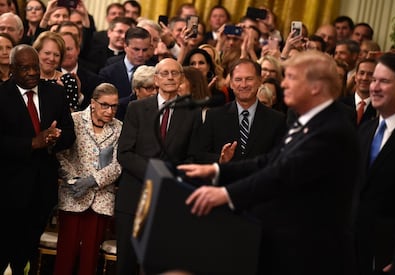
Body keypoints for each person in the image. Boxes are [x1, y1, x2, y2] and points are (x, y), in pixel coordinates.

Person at [178, 50, 359, 275]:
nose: (284, 85)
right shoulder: (303, 119)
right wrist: (215, 169)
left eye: (292, 78)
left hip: (312, 252)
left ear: (316, 87)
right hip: (287, 243)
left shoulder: (332, 130)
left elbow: (282, 173)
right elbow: (269, 161)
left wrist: (225, 194)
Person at [115, 58, 199, 275]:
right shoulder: (136, 108)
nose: (170, 77)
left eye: (175, 73)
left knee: (156, 265)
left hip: (168, 200)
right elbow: (124, 152)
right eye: (165, 73)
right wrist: (155, 174)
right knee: (126, 264)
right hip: (133, 197)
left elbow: (192, 157)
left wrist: (169, 177)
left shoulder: (192, 112)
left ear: (181, 79)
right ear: (156, 79)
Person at [0, 44, 75, 275]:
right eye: (25, 68)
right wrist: (33, 143)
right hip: (8, 189)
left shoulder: (55, 93)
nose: (32, 73)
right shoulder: (2, 95)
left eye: (35, 67)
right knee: (5, 247)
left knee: (30, 247)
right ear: (12, 69)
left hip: (42, 188)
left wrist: (54, 139)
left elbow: (70, 134)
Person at [53, 83, 122, 275]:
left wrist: (93, 180)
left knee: (89, 259)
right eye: (104, 105)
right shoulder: (74, 120)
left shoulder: (119, 128)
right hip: (72, 196)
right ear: (92, 103)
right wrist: (74, 180)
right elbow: (60, 155)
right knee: (66, 255)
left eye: (114, 106)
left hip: (101, 199)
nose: (110, 111)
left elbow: (118, 164)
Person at [355, 52, 395, 275]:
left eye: (384, 81)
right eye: (374, 80)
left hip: (390, 255)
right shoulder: (365, 130)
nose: (374, 87)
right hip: (352, 249)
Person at [192, 58, 286, 164]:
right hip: (226, 179)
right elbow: (199, 155)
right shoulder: (214, 116)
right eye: (238, 80)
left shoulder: (277, 120)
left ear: (260, 81)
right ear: (231, 83)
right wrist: (220, 159)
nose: (244, 84)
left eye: (249, 79)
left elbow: (279, 159)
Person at [99, 26, 153, 120]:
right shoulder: (108, 73)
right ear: (125, 46)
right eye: (136, 49)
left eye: (144, 50)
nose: (140, 54)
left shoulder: (155, 70)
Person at [33, 30, 80, 111]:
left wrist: (60, 95)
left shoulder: (68, 81)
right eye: (47, 53)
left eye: (56, 55)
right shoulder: (26, 78)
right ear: (37, 53)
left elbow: (72, 116)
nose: (51, 58)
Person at [59, 31, 102, 110]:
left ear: (78, 50)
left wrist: (79, 96)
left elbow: (95, 110)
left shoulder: (93, 80)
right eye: (61, 50)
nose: (65, 53)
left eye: (69, 49)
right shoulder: (50, 77)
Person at [340, 58, 377, 126]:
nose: (364, 78)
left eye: (370, 74)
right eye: (362, 73)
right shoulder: (341, 104)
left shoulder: (378, 109)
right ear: (356, 76)